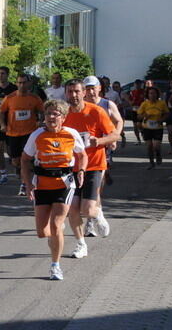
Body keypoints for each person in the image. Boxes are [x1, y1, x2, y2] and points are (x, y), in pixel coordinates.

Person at [20, 100, 87, 281]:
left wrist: (80, 170)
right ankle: (58, 231)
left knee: (55, 225)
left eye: (55, 114)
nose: (51, 117)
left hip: (64, 185)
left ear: (63, 118)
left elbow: (82, 155)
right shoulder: (37, 135)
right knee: (43, 232)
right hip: (42, 185)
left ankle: (55, 266)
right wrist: (27, 184)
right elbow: (25, 159)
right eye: (48, 113)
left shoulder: (71, 134)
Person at [62, 78, 117, 258]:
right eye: (70, 92)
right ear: (66, 93)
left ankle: (97, 213)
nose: (74, 95)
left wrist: (99, 141)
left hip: (93, 164)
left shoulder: (96, 111)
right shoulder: (63, 114)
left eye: (77, 91)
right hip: (72, 168)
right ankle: (81, 244)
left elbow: (114, 135)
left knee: (87, 210)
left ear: (84, 92)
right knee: (73, 209)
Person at [83, 76, 124, 233]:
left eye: (93, 88)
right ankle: (93, 216)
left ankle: (92, 218)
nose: (90, 91)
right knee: (92, 187)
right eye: (87, 88)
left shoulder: (107, 104)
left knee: (98, 186)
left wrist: (114, 136)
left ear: (99, 88)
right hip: (85, 152)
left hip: (103, 149)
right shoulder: (80, 107)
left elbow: (119, 121)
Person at [0, 76, 45, 196]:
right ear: (17, 84)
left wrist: (40, 121)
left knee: (26, 159)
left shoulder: (34, 98)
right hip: (13, 133)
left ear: (29, 84)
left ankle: (24, 184)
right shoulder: (10, 97)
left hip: (29, 133)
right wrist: (3, 125)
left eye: (24, 83)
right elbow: (1, 112)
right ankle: (21, 172)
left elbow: (42, 111)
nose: (22, 85)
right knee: (15, 160)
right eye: (19, 83)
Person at [136, 85, 170, 168]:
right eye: (150, 93)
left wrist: (161, 120)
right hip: (147, 127)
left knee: (156, 146)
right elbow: (138, 116)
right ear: (147, 95)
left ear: (157, 94)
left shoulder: (161, 103)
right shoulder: (144, 104)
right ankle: (151, 162)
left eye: (154, 93)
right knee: (149, 146)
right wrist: (145, 116)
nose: (152, 95)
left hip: (158, 127)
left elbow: (167, 114)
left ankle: (158, 155)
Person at [127, 79, 145, 144]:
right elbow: (129, 100)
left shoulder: (144, 92)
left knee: (139, 124)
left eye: (139, 84)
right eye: (136, 84)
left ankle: (143, 132)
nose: (137, 86)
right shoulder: (132, 92)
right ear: (134, 85)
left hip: (142, 110)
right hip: (134, 110)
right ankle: (138, 139)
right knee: (135, 126)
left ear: (141, 85)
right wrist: (131, 102)